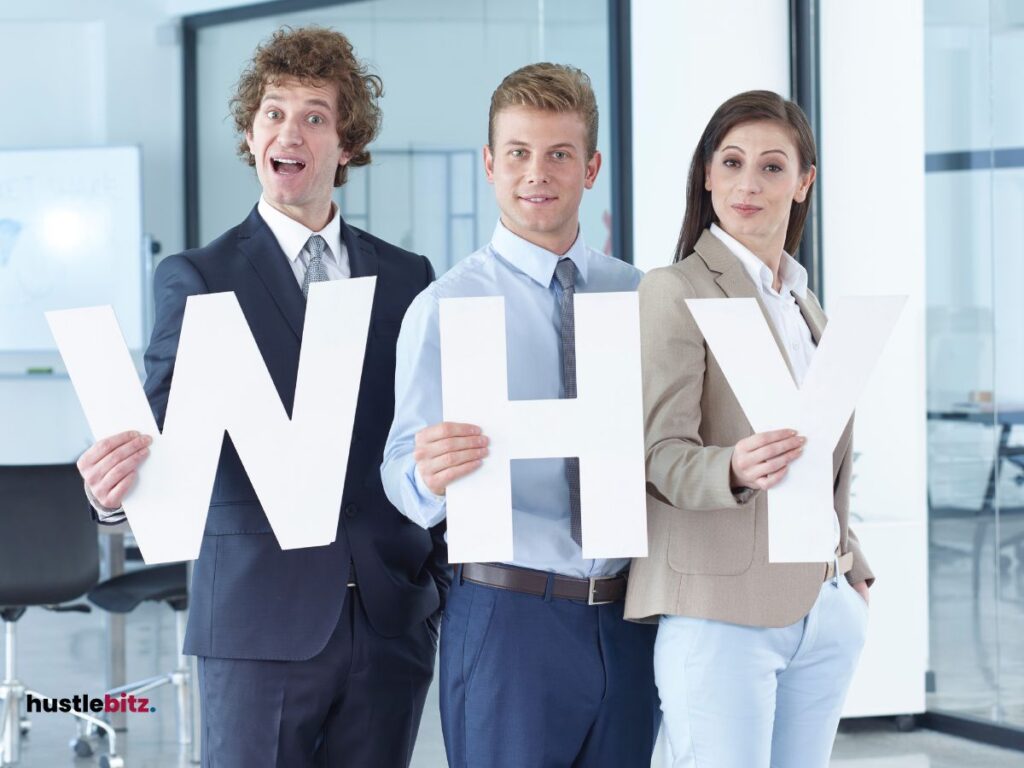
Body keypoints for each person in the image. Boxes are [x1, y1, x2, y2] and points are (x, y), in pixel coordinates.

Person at [75, 26, 448, 768]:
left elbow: (419, 430)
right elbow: (156, 428)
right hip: (256, 624)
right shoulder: (198, 277)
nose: (291, 130)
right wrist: (113, 495)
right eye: (274, 112)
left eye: (315, 115)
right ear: (251, 135)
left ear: (346, 146)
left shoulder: (408, 277)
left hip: (387, 618)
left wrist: (431, 583)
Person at [380, 63, 660, 767]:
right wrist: (429, 474)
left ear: (591, 167)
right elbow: (399, 478)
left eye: (560, 154)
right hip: (509, 616)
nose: (538, 173)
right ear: (490, 164)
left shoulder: (640, 296)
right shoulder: (446, 307)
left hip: (630, 615)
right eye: (519, 153)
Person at [624, 90, 874, 768]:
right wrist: (730, 467)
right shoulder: (674, 290)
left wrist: (852, 564)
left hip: (821, 607)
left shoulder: (804, 302)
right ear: (706, 174)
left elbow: (817, 452)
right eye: (731, 162)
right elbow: (655, 453)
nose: (748, 183)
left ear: (803, 183)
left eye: (771, 167)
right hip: (720, 610)